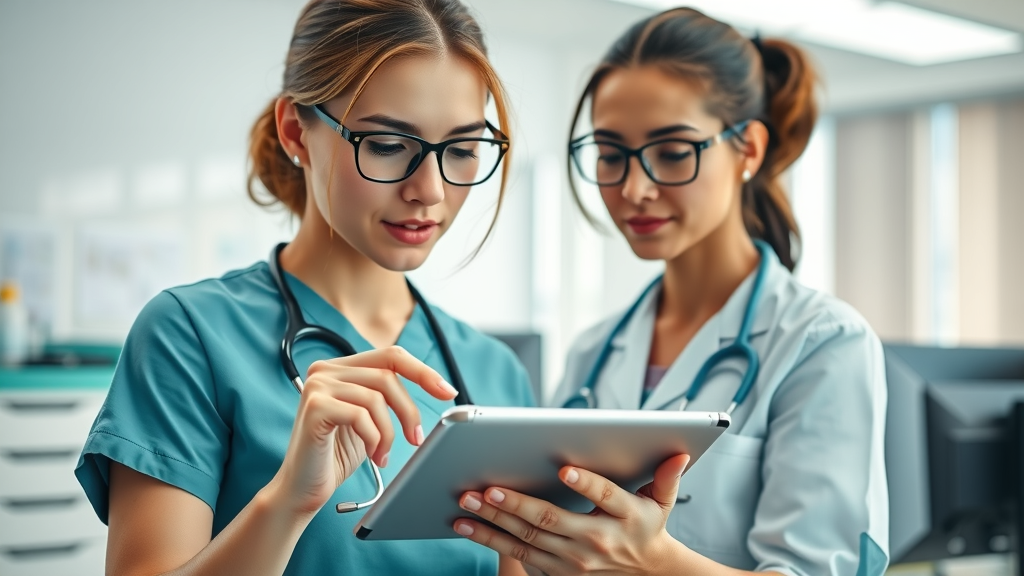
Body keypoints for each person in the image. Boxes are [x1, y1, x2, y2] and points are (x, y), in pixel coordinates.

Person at [74, 1, 534, 574]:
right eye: (389, 145)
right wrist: (287, 501)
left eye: (463, 150)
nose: (431, 190)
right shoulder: (188, 335)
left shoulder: (495, 374)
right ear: (296, 131)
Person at [453, 7, 888, 576]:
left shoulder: (822, 343)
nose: (634, 188)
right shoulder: (594, 351)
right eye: (611, 155)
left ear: (748, 150)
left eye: (673, 152)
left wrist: (653, 563)